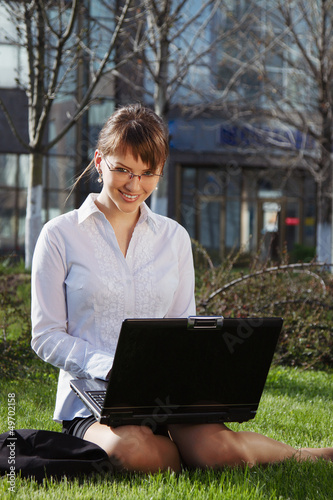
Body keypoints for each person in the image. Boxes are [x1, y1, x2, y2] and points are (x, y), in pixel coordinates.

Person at [31, 103, 333, 474]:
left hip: (168, 393)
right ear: (99, 162)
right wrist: (109, 367)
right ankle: (186, 453)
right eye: (122, 169)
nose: (134, 185)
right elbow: (46, 335)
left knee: (222, 453)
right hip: (93, 399)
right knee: (134, 453)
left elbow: (182, 324)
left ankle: (310, 455)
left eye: (148, 173)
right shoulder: (60, 235)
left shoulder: (173, 237)